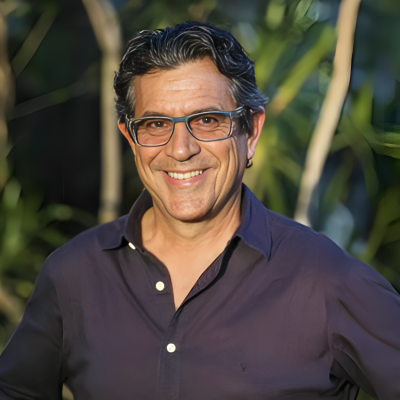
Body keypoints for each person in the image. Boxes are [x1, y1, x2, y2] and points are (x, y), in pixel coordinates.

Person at [0, 20, 399, 400]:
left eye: (207, 120)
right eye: (157, 124)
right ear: (131, 137)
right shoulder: (75, 274)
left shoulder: (324, 280)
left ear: (251, 131)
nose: (180, 149)